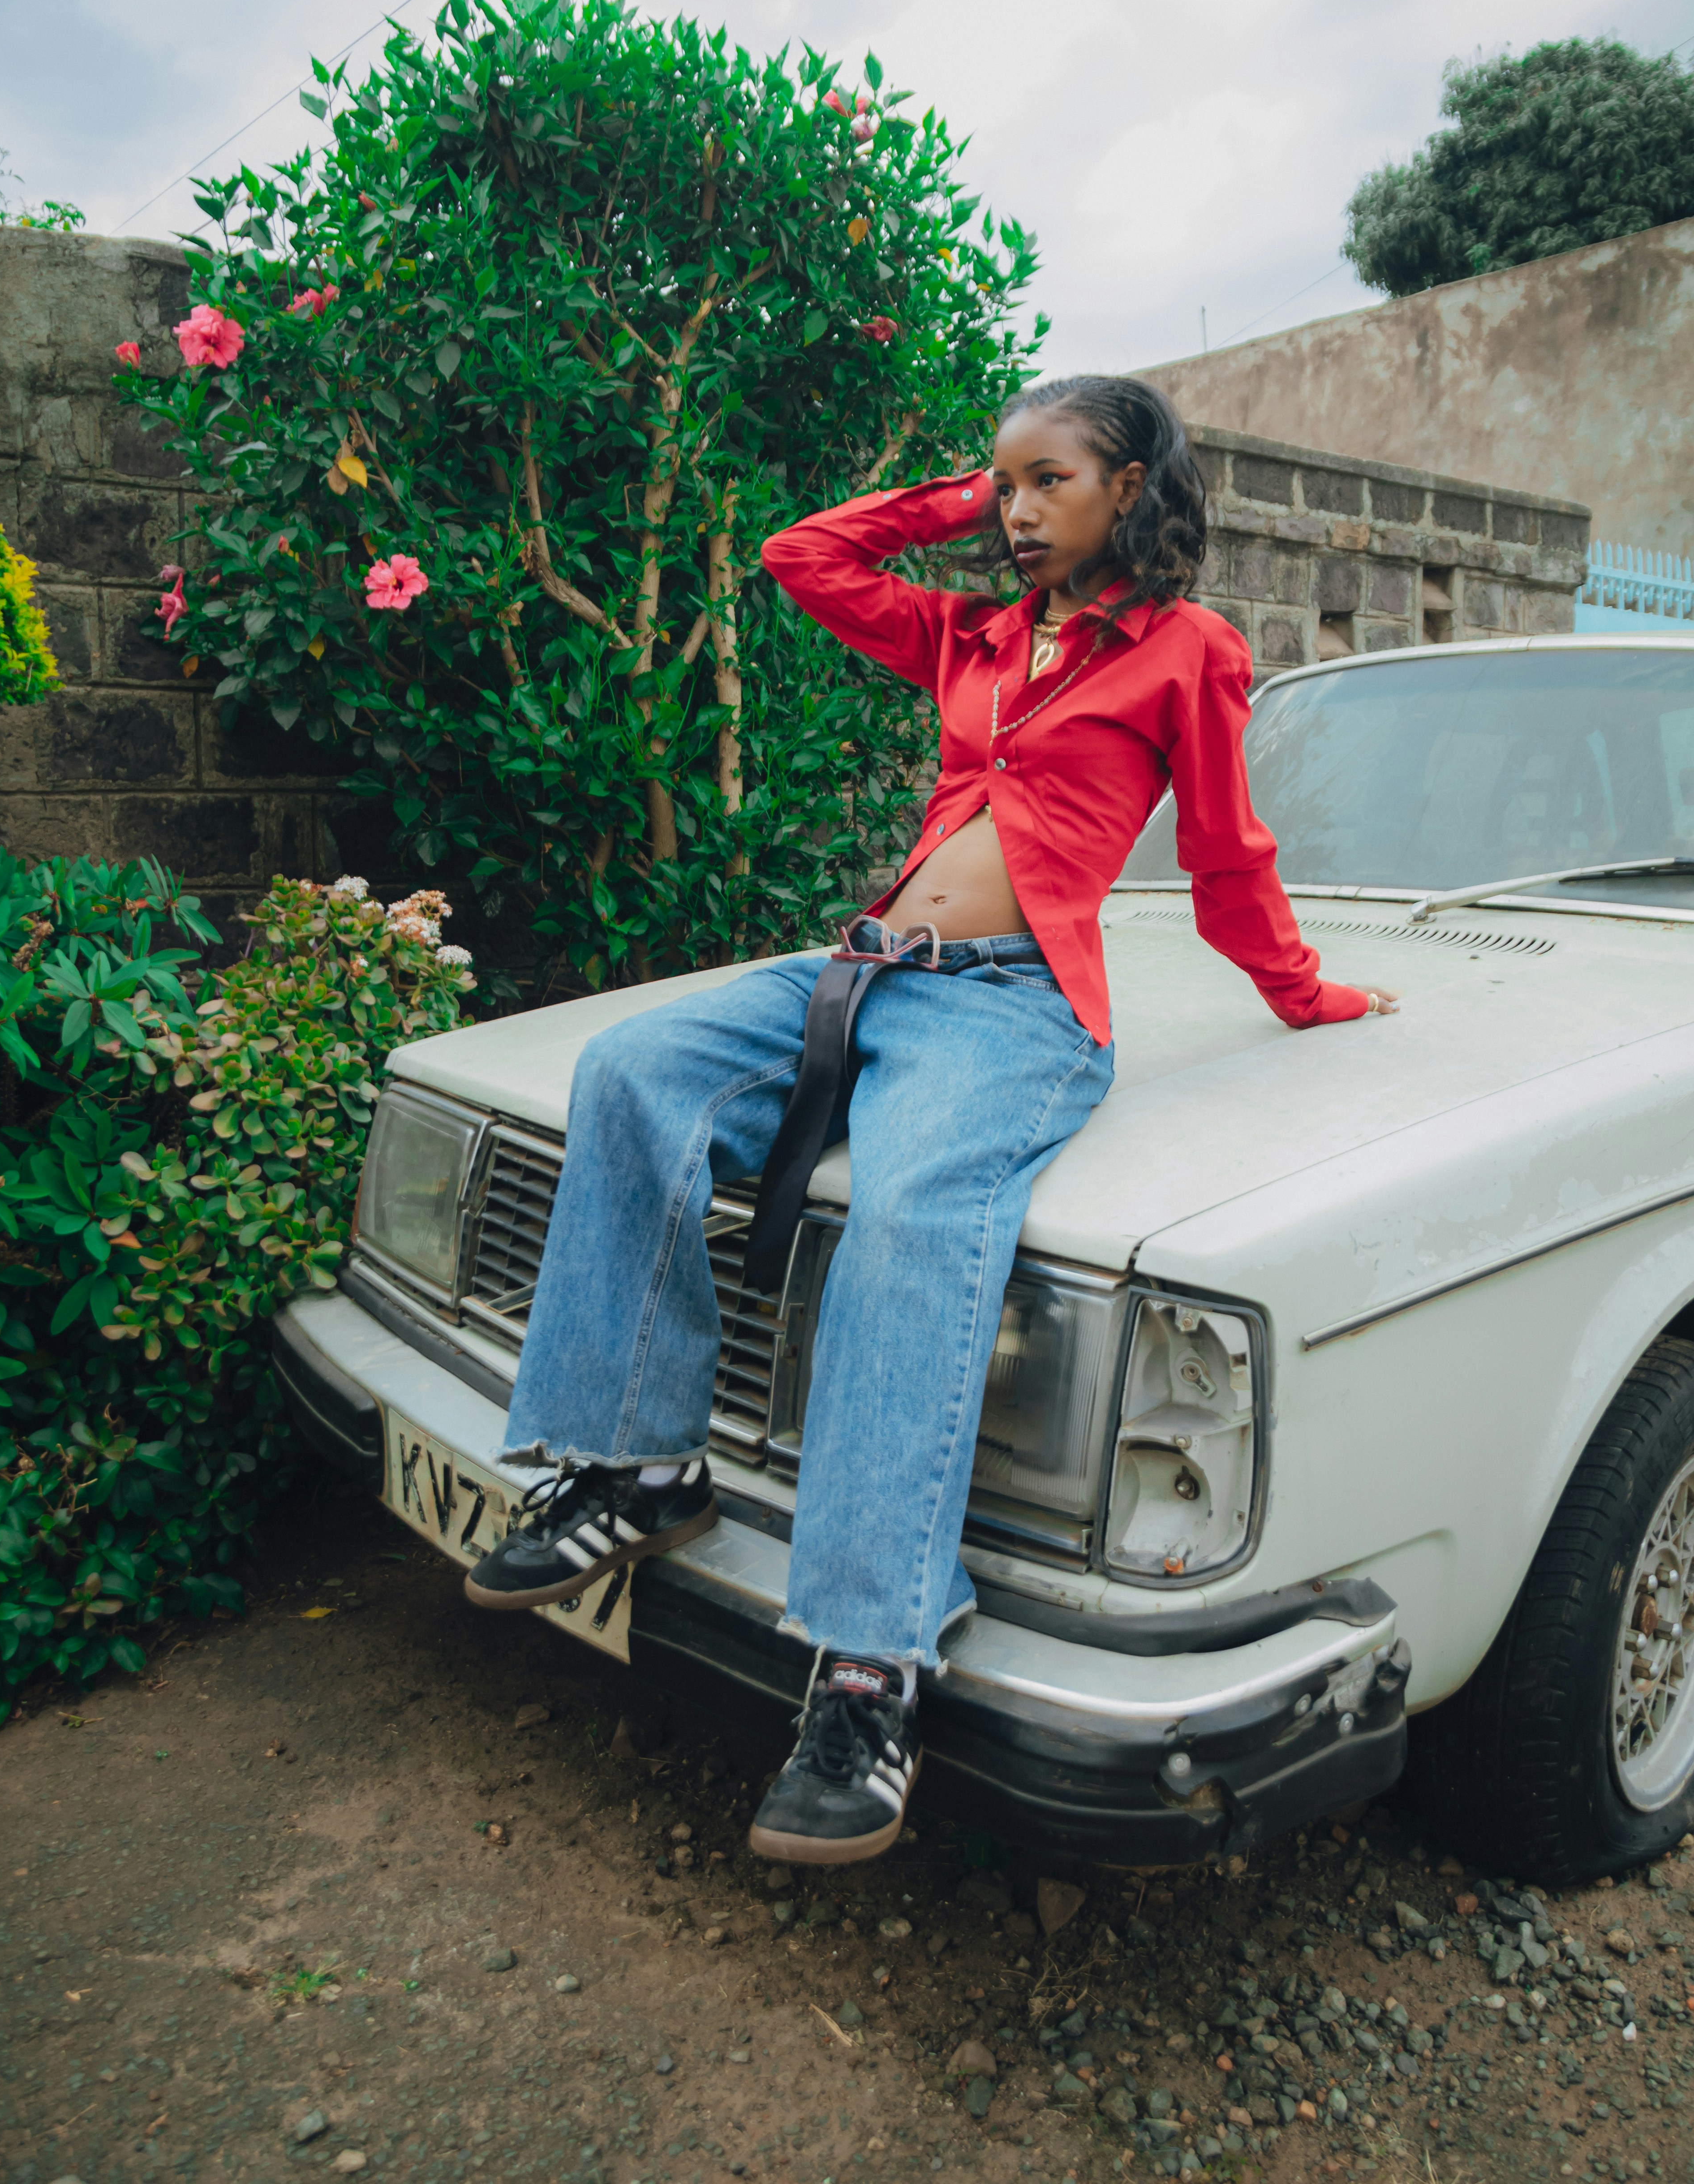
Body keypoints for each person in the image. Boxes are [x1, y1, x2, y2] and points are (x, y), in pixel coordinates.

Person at [464, 375, 1400, 1865]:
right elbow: (802, 560)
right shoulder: (972, 632)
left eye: (1049, 483)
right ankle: (644, 1464)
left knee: (911, 1217)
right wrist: (967, 501)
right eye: (1002, 485)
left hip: (1015, 1009)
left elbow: (1228, 859)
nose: (1018, 511)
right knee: (632, 1070)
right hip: (866, 967)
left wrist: (1308, 996)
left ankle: (868, 1666)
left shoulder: (1188, 651)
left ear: (1134, 485)